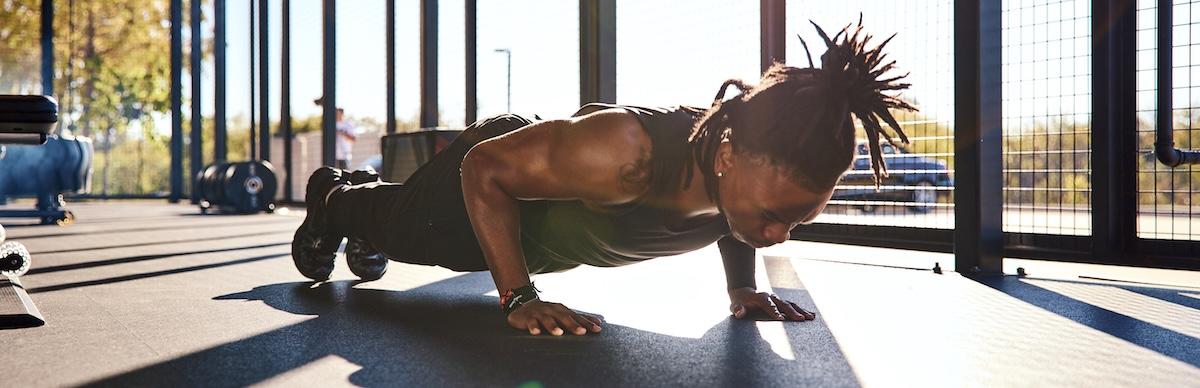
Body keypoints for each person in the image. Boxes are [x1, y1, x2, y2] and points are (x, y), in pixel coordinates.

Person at [292, 20, 915, 336]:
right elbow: (484, 169)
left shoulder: (737, 176)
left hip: (542, 192)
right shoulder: (627, 157)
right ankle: (335, 198)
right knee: (411, 240)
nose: (779, 233)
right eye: (776, 215)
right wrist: (517, 298)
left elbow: (736, 219)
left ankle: (364, 210)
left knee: (407, 232)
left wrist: (740, 290)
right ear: (729, 156)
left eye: (798, 220)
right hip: (490, 178)